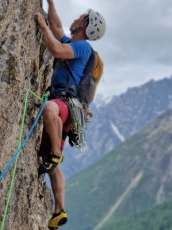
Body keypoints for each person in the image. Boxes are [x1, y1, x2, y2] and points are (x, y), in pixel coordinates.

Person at [35, 1, 106, 229]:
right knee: (48, 160)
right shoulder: (74, 44)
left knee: (48, 109)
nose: (76, 19)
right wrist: (51, 3)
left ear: (86, 24)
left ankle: (56, 153)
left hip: (64, 103)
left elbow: (55, 48)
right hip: (68, 111)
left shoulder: (83, 47)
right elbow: (57, 28)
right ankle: (59, 211)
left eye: (81, 17)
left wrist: (41, 26)